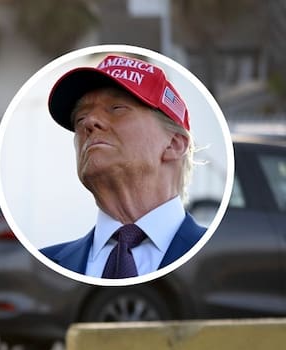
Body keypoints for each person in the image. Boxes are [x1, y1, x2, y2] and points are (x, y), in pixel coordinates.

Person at [40, 53, 204, 279]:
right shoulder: (42, 266)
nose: (89, 122)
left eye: (117, 108)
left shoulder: (221, 256)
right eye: (80, 118)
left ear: (174, 144)